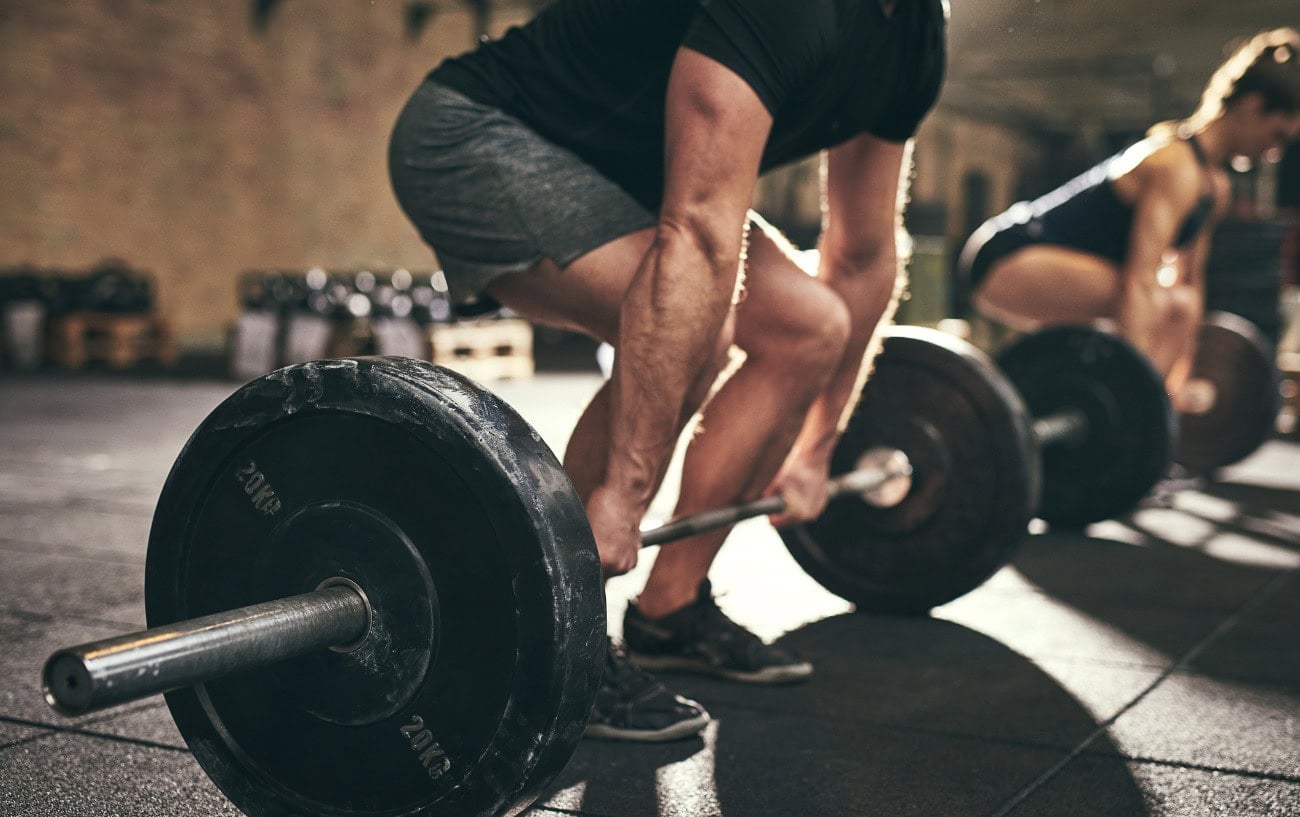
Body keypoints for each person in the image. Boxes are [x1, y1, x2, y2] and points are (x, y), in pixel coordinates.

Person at [389, 0, 947, 742]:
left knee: (809, 327)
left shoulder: (912, 33)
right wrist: (622, 495)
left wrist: (819, 444)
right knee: (697, 331)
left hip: (629, 174)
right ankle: (548, 639)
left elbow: (865, 253)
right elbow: (698, 232)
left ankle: (670, 610)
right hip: (480, 134)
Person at [960, 28, 1300, 411]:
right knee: (1159, 301)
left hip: (1063, 268)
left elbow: (1192, 284)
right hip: (1004, 257)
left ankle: (1140, 410)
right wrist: (1136, 395)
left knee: (1179, 303)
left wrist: (1178, 382)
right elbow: (1140, 282)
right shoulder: (1175, 165)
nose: (1274, 153)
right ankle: (1129, 407)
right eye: (1278, 136)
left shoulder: (1214, 187)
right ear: (1251, 107)